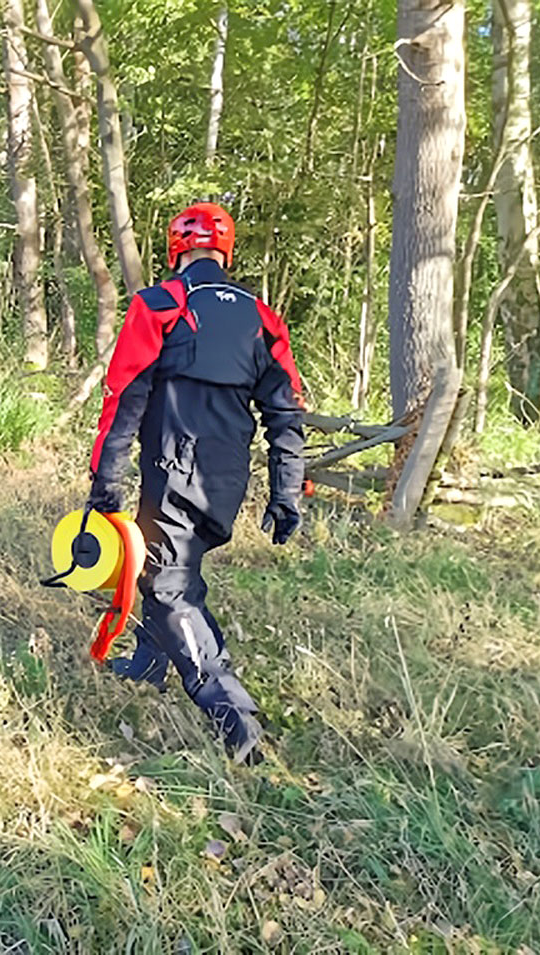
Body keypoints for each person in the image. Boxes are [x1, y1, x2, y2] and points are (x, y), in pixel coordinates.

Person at [88, 202, 305, 764]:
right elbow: (286, 414)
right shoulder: (262, 318)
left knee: (170, 590)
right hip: (229, 481)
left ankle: (232, 713)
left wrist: (104, 483)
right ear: (224, 252)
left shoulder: (159, 305)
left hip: (173, 473)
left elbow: (124, 398)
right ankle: (148, 662)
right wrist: (286, 492)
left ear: (175, 250)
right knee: (166, 570)